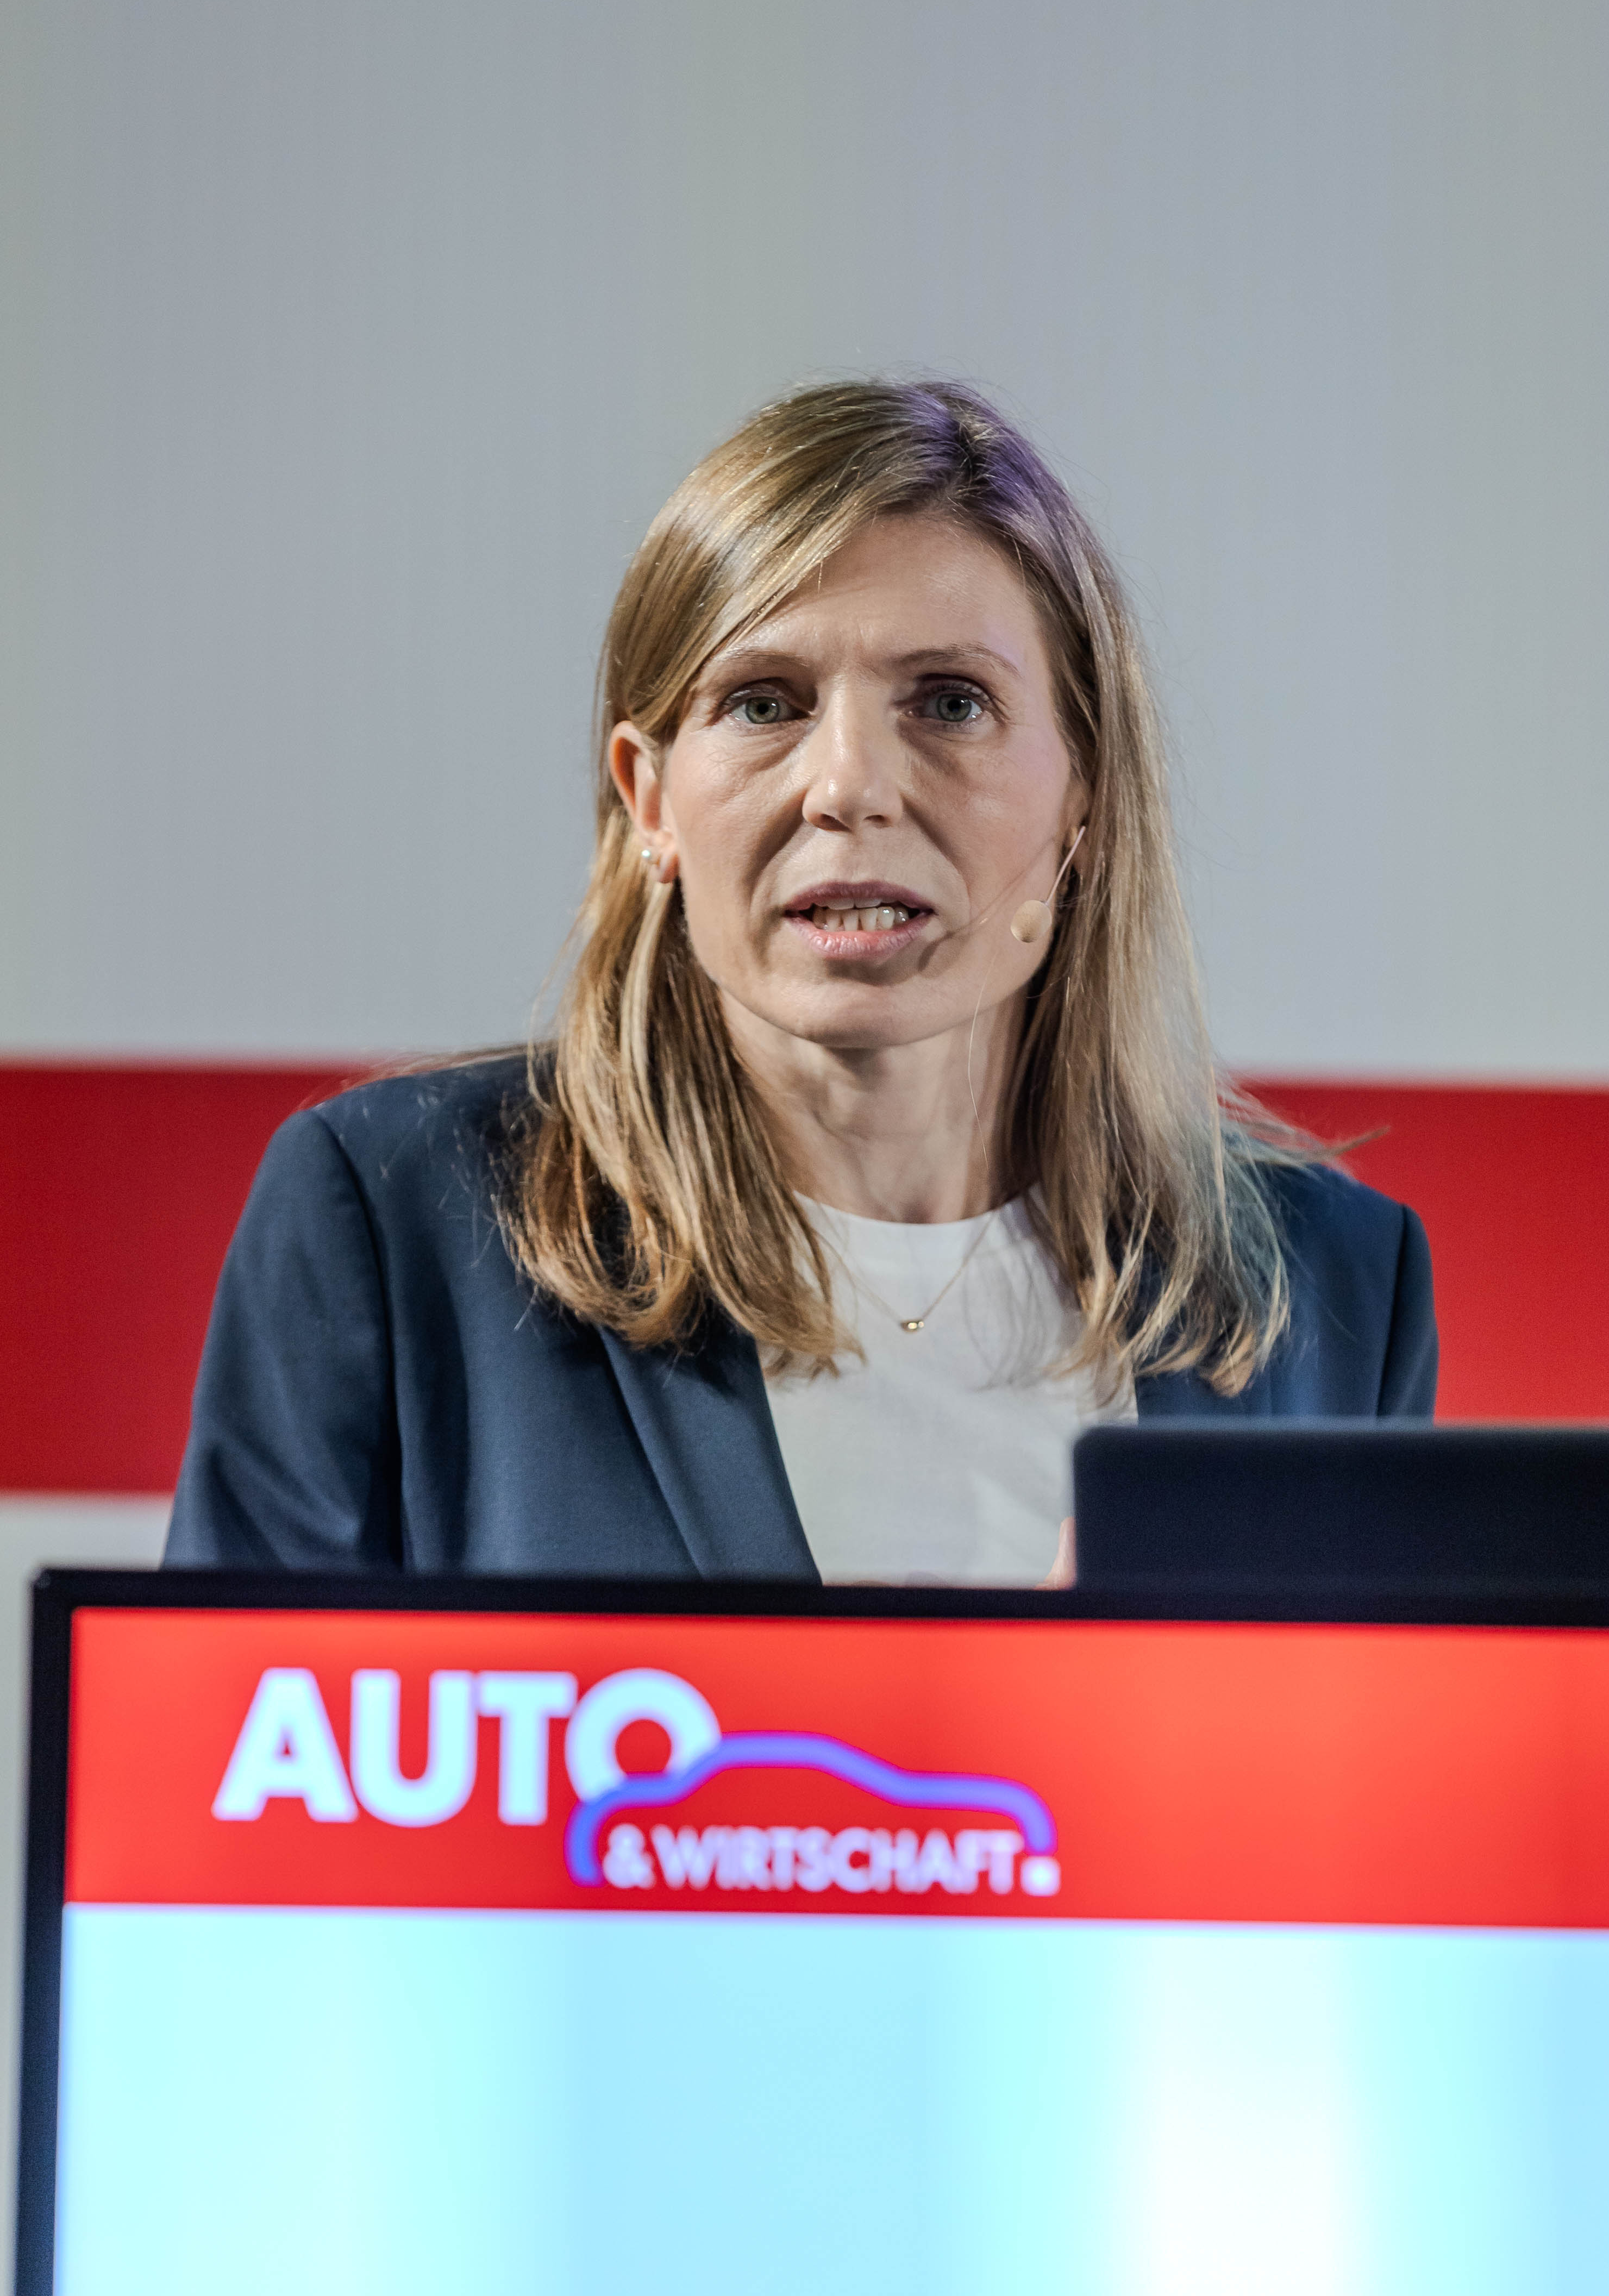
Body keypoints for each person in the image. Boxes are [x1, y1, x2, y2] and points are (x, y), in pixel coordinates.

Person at [165, 380, 1435, 1583]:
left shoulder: (1335, 1286)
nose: (849, 787)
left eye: (950, 702)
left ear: (1084, 798)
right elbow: (222, 1742)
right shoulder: (393, 1223)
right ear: (650, 799)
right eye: (765, 704)